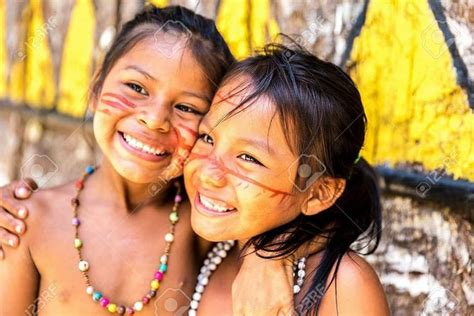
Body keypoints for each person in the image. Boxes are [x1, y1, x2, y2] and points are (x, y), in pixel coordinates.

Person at [0, 5, 236, 315]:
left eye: (187, 108)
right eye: (136, 87)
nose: (154, 120)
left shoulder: (207, 225)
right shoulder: (26, 222)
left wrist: (267, 266)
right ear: (97, 87)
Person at [183, 43, 390, 315]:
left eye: (248, 158)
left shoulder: (343, 286)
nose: (209, 174)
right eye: (207, 138)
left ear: (317, 194)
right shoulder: (200, 249)